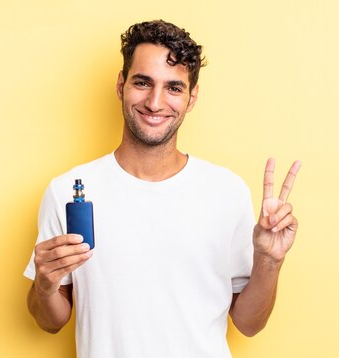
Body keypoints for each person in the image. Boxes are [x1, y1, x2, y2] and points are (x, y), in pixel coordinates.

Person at [24, 19, 301, 358]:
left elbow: (249, 323)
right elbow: (50, 321)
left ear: (192, 97)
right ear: (121, 84)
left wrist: (270, 261)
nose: (155, 103)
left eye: (173, 88)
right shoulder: (67, 191)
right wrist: (45, 283)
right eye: (143, 82)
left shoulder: (227, 192)